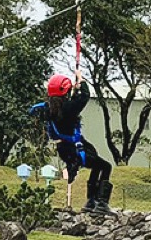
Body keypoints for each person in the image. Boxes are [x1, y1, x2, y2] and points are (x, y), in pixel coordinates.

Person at [29, 73, 113, 213]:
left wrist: (74, 90)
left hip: (64, 149)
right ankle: (101, 203)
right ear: (65, 92)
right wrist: (81, 80)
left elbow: (71, 103)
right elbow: (84, 96)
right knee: (106, 166)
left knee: (97, 166)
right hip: (76, 149)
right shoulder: (68, 108)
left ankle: (91, 201)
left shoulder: (48, 109)